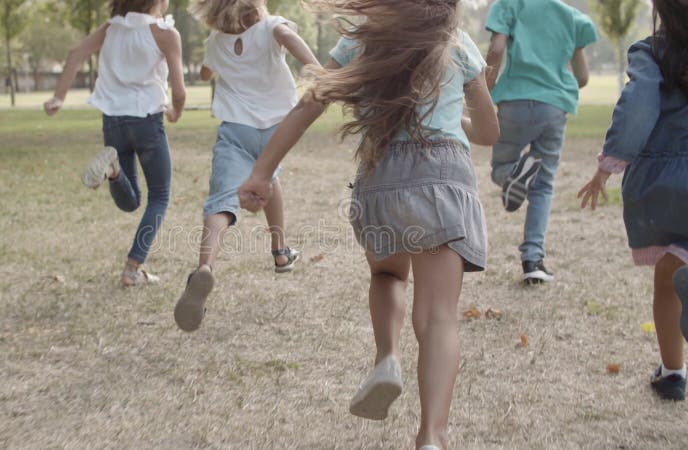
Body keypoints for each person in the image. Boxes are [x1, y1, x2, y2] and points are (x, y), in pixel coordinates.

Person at [237, 1, 499, 447]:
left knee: (387, 274)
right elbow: (491, 132)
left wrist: (262, 172)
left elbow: (309, 105)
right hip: (443, 176)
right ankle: (432, 436)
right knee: (438, 317)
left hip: (382, 178)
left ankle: (387, 358)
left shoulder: (363, 34)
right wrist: (455, 114)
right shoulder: (457, 42)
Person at [172, 0, 318, 332]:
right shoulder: (271, 28)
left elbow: (205, 72)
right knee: (268, 177)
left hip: (235, 129)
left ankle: (205, 268)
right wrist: (316, 68)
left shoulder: (215, 42)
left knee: (220, 201)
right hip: (275, 130)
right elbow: (287, 36)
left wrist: (213, 65)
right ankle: (280, 252)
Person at [578, 0, 688, 401]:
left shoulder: (652, 52)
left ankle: (673, 373)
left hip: (663, 183)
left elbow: (638, 106)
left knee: (669, 276)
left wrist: (609, 165)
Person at [44, 0, 186, 286]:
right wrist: (175, 112)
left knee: (131, 201)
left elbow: (75, 54)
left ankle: (114, 171)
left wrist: (59, 97)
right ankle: (132, 269)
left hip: (113, 122)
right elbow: (180, 91)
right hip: (147, 122)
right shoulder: (165, 33)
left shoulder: (111, 28)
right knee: (159, 197)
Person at [484, 0, 598, 284]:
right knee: (543, 184)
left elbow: (496, 49)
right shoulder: (572, 17)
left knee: (501, 165)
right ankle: (533, 260)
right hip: (554, 107)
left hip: (514, 103)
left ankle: (512, 176)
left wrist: (486, 88)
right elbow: (582, 77)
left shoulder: (509, 5)